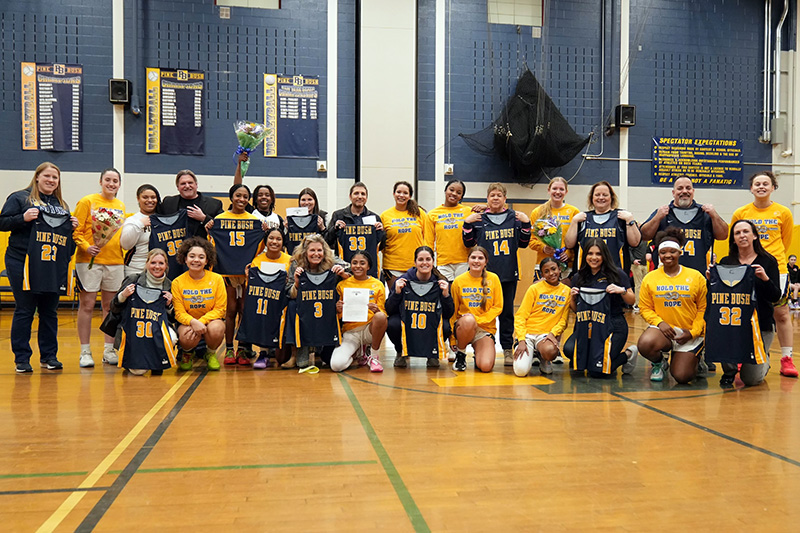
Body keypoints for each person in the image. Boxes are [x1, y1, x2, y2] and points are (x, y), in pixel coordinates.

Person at [0, 162, 77, 373]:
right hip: (22, 261)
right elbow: (2, 223)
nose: (51, 180)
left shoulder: (62, 205)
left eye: (55, 177)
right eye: (47, 176)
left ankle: (49, 356)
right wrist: (22, 218)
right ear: (37, 177)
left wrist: (72, 230)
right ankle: (22, 358)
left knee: (49, 311)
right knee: (25, 309)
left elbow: (67, 245)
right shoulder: (19, 198)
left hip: (51, 264)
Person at [731, 171, 797, 377]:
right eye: (757, 183)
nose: (761, 187)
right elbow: (733, 240)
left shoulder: (783, 212)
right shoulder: (741, 212)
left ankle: (787, 359)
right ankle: (744, 354)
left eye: (765, 184)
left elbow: (785, 241)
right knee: (746, 311)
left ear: (773, 188)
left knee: (781, 313)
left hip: (775, 268)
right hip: (746, 268)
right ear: (751, 188)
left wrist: (770, 262)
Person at [462, 182, 531, 366]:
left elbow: (523, 243)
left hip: (508, 272)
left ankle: (507, 349)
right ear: (487, 199)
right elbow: (468, 242)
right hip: (484, 276)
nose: (495, 198)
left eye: (499, 195)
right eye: (492, 195)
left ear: (505, 199)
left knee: (507, 312)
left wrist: (526, 223)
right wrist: (466, 224)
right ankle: (478, 345)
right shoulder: (479, 218)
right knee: (482, 309)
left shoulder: (514, 218)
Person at [712, 220, 781, 387]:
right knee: (723, 334)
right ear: (733, 240)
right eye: (737, 233)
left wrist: (765, 279)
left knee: (751, 379)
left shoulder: (768, 261)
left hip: (761, 324)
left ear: (754, 235)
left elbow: (776, 296)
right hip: (733, 322)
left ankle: (764, 358)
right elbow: (718, 295)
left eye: (746, 231)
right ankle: (729, 370)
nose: (742, 235)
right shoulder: (726, 261)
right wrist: (712, 280)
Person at [634, 228, 707, 384]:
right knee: (646, 343)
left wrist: (693, 332)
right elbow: (644, 308)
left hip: (688, 331)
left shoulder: (695, 277)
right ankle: (659, 363)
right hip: (664, 330)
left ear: (680, 253)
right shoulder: (650, 278)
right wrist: (660, 323)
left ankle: (697, 358)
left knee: (682, 376)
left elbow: (704, 309)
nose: (668, 255)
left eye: (672, 251)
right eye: (663, 252)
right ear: (658, 255)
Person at [207, 184, 266, 366]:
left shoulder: (254, 219)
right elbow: (213, 243)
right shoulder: (220, 219)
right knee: (230, 309)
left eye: (245, 196)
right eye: (238, 195)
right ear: (231, 197)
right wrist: (210, 228)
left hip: (246, 272)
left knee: (244, 309)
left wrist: (263, 232)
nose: (241, 199)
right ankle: (229, 348)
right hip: (227, 271)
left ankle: (242, 348)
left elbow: (261, 247)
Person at [74, 168, 127, 368]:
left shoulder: (120, 205)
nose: (111, 184)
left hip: (115, 262)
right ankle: (85, 351)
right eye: (108, 180)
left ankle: (108, 349)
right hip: (89, 261)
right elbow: (76, 231)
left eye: (115, 181)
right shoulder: (87, 201)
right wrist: (88, 247)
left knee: (109, 307)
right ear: (101, 181)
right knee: (87, 305)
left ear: (119, 184)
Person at [563, 239, 636, 378]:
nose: (594, 257)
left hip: (613, 325)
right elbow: (576, 310)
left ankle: (628, 355)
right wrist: (572, 298)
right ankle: (595, 358)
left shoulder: (617, 274)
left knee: (596, 372)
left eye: (598, 254)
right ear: (585, 256)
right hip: (586, 326)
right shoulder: (579, 276)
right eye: (590, 253)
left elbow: (632, 300)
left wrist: (622, 291)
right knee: (569, 350)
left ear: (605, 255)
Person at [639, 176, 728, 273]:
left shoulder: (705, 213)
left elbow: (723, 235)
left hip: (698, 276)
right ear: (673, 193)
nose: (684, 191)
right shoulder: (663, 213)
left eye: (688, 188)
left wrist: (714, 215)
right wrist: (657, 217)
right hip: (666, 278)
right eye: (680, 188)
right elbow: (644, 236)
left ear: (693, 191)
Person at [385, 246, 454, 368]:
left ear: (433, 262)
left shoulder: (441, 281)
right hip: (409, 322)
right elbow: (389, 310)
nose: (424, 263)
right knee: (392, 324)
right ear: (415, 262)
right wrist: (396, 294)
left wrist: (446, 296)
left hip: (429, 322)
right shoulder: (403, 281)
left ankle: (433, 353)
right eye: (421, 260)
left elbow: (449, 314)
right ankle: (401, 351)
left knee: (446, 326)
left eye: (428, 259)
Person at [288, 234, 349, 370]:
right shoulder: (295, 264)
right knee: (292, 305)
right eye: (312, 250)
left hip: (327, 309)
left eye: (319, 250)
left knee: (328, 359)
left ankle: (326, 346)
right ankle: (300, 348)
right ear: (305, 252)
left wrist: (344, 274)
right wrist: (297, 283)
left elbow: (353, 271)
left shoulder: (332, 262)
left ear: (324, 251)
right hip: (305, 308)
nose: (316, 254)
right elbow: (288, 293)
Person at [110, 249, 175, 375]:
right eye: (153, 262)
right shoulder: (133, 280)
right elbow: (113, 307)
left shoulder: (169, 285)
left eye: (161, 263)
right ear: (146, 264)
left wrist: (169, 305)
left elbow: (173, 318)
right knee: (138, 371)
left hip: (156, 329)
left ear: (166, 265)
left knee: (172, 337)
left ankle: (157, 361)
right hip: (134, 330)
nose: (157, 266)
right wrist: (123, 296)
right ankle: (131, 358)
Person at [171, 237, 226, 371]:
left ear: (207, 260)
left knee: (217, 328)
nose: (196, 260)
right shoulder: (177, 282)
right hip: (188, 323)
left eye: (201, 257)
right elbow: (178, 312)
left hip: (209, 321)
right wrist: (193, 322)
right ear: (185, 259)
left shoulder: (217, 279)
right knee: (186, 336)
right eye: (192, 256)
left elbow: (220, 309)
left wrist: (201, 321)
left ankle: (211, 353)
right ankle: (187, 353)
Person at [564, 180, 640, 273]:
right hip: (586, 276)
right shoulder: (582, 218)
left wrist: (630, 220)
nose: (601, 197)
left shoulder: (622, 217)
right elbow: (569, 244)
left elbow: (635, 242)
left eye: (605, 195)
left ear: (611, 197)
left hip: (615, 275)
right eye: (597, 195)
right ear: (591, 198)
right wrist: (574, 222)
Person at [512, 258, 572, 377]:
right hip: (528, 334)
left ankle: (543, 357)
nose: (551, 273)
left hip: (545, 335)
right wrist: (521, 339)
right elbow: (520, 316)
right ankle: (527, 349)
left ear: (559, 269)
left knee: (549, 351)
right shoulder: (534, 289)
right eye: (546, 271)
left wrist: (553, 333)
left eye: (553, 269)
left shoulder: (567, 292)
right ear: (542, 275)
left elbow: (563, 320)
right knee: (520, 371)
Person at [450, 246, 504, 372]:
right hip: (464, 326)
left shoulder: (494, 279)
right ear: (468, 260)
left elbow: (498, 307)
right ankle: (461, 354)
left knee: (485, 367)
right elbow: (453, 312)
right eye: (473, 257)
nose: (476, 261)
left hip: (484, 329)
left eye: (480, 258)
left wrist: (478, 320)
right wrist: (452, 338)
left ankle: (479, 353)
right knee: (469, 320)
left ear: (486, 262)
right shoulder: (458, 281)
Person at [330, 251, 386, 373]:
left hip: (369, 329)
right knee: (336, 365)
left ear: (368, 266)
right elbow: (338, 316)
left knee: (381, 317)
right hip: (351, 332)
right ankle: (358, 353)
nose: (358, 266)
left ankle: (374, 356)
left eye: (362, 263)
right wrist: (338, 309)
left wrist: (377, 309)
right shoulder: (342, 285)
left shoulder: (377, 284)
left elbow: (383, 313)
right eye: (354, 263)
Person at [246, 227, 293, 369]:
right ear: (265, 241)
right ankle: (263, 352)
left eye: (279, 239)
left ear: (283, 242)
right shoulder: (257, 260)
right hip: (266, 301)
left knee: (281, 358)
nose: (274, 241)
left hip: (283, 301)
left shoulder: (290, 260)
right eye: (271, 238)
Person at [325, 182, 385, 279]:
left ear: (366, 197)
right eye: (356, 193)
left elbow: (381, 246)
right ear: (350, 196)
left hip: (367, 270)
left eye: (363, 194)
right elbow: (327, 242)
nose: (360, 196)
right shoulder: (339, 215)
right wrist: (334, 229)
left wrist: (381, 232)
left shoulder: (374, 217)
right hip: (344, 268)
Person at [380, 181, 433, 289]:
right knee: (395, 299)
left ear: (410, 196)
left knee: (413, 301)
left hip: (416, 266)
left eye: (405, 193)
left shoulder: (419, 213)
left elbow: (428, 238)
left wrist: (427, 260)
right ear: (394, 194)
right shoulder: (385, 216)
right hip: (392, 266)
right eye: (398, 192)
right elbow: (381, 243)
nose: (401, 195)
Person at [529, 177, 580, 275]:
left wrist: (569, 254)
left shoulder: (574, 212)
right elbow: (531, 240)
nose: (558, 192)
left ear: (566, 192)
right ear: (549, 190)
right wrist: (543, 248)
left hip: (566, 266)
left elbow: (578, 240)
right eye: (554, 188)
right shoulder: (538, 212)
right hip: (544, 265)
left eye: (561, 189)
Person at [427, 180, 472, 281]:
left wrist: (484, 207)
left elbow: (489, 213)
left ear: (461, 197)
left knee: (461, 294)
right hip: (443, 262)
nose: (454, 194)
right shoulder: (433, 214)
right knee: (446, 293)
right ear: (445, 190)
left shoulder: (468, 211)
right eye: (451, 190)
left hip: (464, 261)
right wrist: (429, 261)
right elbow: (429, 241)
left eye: (459, 192)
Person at [160, 169, 224, 239]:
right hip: (176, 247)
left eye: (190, 183)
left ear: (196, 185)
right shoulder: (168, 203)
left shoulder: (214, 204)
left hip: (204, 247)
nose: (187, 186)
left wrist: (204, 218)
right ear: (178, 187)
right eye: (183, 184)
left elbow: (221, 228)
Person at [232, 154, 284, 230]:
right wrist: (240, 164)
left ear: (272, 199)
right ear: (255, 199)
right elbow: (237, 188)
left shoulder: (278, 218)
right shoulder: (250, 212)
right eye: (260, 195)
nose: (264, 197)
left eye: (267, 195)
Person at [119, 184, 160, 277]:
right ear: (138, 199)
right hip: (135, 269)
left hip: (159, 270)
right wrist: (140, 224)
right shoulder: (133, 220)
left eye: (153, 197)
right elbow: (125, 245)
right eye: (145, 197)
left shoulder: (163, 219)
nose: (150, 200)